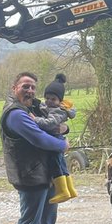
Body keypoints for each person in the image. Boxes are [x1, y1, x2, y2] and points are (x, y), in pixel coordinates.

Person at [0, 71, 69, 224]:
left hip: (45, 173)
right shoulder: (16, 114)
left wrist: (63, 128)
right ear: (14, 88)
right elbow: (39, 138)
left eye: (32, 87)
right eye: (25, 86)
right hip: (29, 175)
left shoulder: (33, 108)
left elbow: (53, 123)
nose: (29, 90)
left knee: (46, 221)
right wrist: (62, 144)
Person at [35, 73, 78, 205]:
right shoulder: (53, 108)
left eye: (53, 99)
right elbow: (45, 108)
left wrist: (34, 119)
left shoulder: (57, 111)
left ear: (60, 101)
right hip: (57, 137)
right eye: (47, 98)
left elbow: (49, 123)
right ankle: (70, 190)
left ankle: (62, 191)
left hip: (55, 138)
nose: (49, 101)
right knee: (62, 164)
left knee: (56, 164)